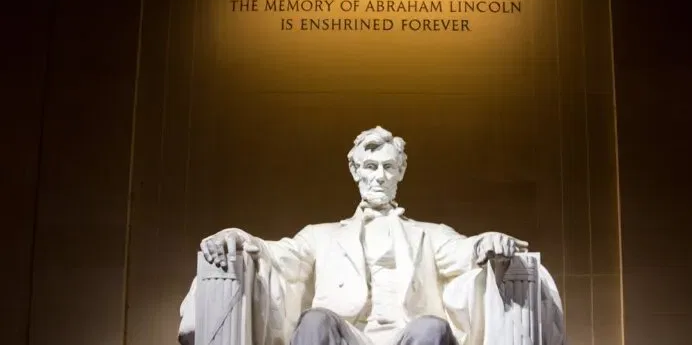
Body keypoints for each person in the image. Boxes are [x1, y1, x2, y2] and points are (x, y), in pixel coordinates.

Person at [179, 126, 564, 345]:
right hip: (345, 337)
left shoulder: (430, 235)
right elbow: (278, 255)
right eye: (370, 166)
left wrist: (487, 241)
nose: (379, 176)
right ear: (355, 171)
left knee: (432, 327)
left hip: (409, 337)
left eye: (388, 167)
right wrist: (238, 235)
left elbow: (465, 251)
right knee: (314, 321)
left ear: (401, 172)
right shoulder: (321, 236)